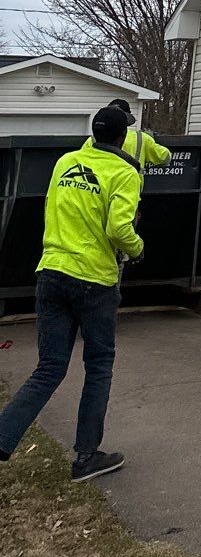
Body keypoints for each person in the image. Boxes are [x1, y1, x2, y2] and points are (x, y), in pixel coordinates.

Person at [0, 105, 142, 481]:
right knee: (98, 366)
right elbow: (119, 229)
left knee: (49, 368)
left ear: (93, 133)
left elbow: (52, 209)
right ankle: (86, 458)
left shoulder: (65, 163)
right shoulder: (125, 173)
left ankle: (2, 436)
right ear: (122, 137)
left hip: (51, 273)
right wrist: (138, 247)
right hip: (94, 282)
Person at [99, 98, 170, 170]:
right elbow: (165, 157)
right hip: (132, 177)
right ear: (128, 119)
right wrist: (149, 141)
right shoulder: (141, 138)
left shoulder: (95, 138)